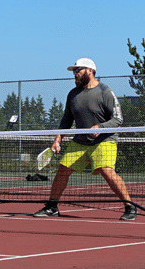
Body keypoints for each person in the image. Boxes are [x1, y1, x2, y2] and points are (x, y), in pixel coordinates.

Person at [34, 58, 136, 220]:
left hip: (105, 140)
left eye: (78, 70)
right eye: (74, 71)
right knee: (62, 170)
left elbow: (118, 119)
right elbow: (66, 119)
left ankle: (130, 207)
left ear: (90, 70)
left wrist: (100, 128)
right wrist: (58, 139)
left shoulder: (105, 91)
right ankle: (52, 206)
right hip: (80, 141)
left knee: (106, 170)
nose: (75, 74)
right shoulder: (73, 94)